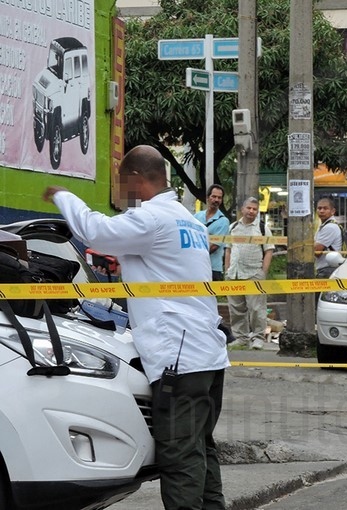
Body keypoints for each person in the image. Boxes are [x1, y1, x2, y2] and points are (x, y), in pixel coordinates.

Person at [42, 145, 229, 510]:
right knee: (201, 451)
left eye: (122, 184)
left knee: (180, 460)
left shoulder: (151, 219)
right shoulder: (187, 218)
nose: (120, 193)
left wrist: (64, 195)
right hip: (207, 355)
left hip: (179, 358)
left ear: (138, 180)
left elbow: (95, 231)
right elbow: (152, 260)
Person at [224, 197, 274, 350]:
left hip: (253, 274)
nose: (251, 211)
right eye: (249, 208)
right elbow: (228, 249)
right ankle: (241, 338)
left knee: (256, 309)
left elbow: (269, 251)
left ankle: (258, 338)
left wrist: (262, 273)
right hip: (234, 274)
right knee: (236, 309)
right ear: (242, 209)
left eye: (254, 209)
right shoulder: (233, 227)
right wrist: (227, 270)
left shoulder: (262, 228)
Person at [195, 184, 230, 281]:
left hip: (213, 268)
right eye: (214, 196)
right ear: (207, 198)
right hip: (195, 267)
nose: (216, 200)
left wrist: (193, 253)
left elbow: (214, 246)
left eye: (219, 198)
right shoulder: (197, 216)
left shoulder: (223, 221)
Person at [314, 197, 343, 278]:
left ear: (333, 211)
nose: (321, 211)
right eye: (319, 208)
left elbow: (317, 251)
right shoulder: (325, 225)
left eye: (325, 208)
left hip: (328, 270)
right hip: (328, 269)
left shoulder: (330, 227)